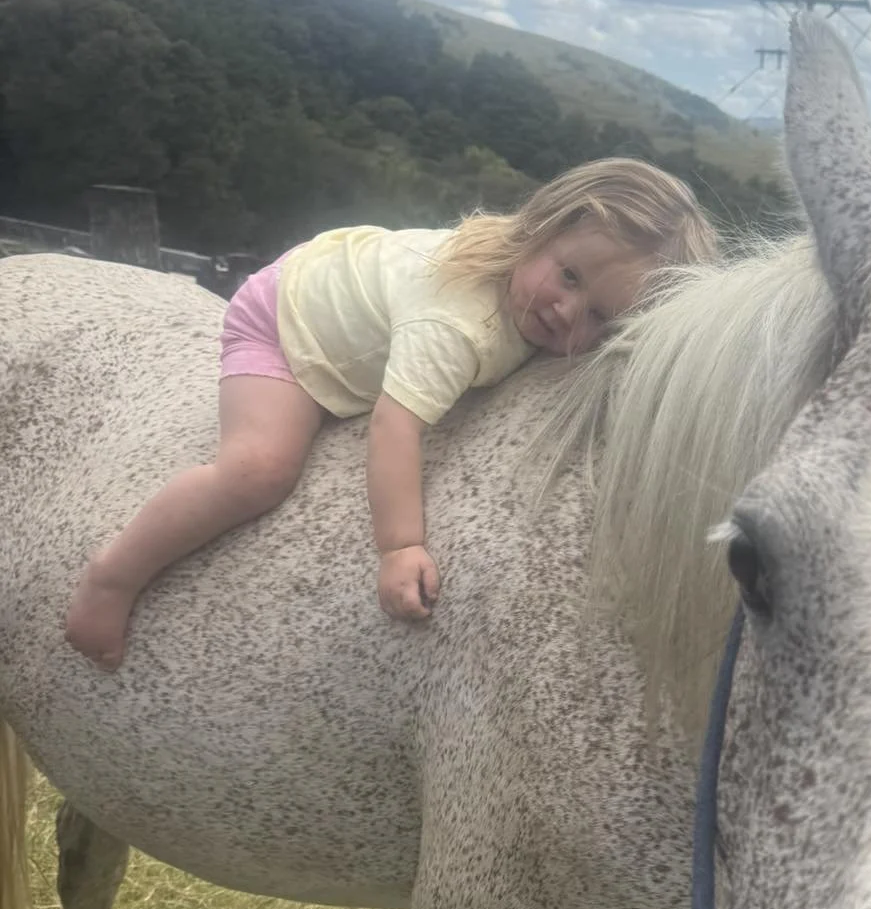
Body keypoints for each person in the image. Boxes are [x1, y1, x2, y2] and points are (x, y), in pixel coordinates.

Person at [65, 159, 715, 669]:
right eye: (569, 277)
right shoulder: (459, 324)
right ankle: (114, 576)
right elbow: (395, 424)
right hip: (289, 324)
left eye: (602, 315)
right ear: (541, 229)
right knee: (257, 468)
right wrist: (400, 546)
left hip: (349, 280)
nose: (568, 313)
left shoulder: (525, 291)